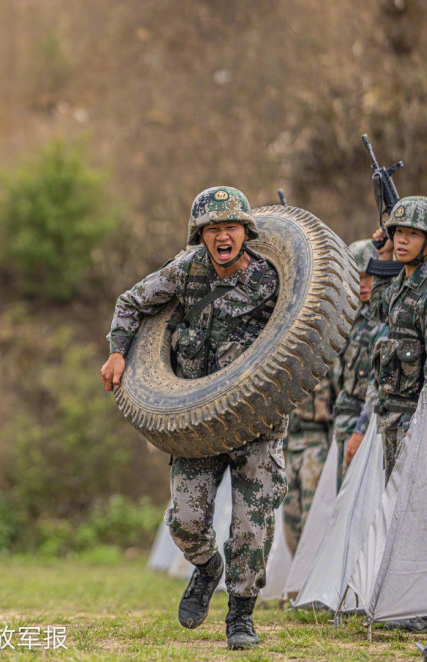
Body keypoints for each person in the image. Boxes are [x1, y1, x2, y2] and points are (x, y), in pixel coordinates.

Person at [101, 186, 286, 650]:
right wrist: (118, 353)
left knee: (251, 526)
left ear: (246, 231)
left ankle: (240, 616)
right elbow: (131, 302)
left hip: (256, 422)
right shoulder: (186, 271)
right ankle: (206, 569)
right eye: (212, 229)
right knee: (184, 521)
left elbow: (304, 332)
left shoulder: (271, 280)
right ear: (200, 235)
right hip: (196, 422)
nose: (222, 236)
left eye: (230, 226)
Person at [344, 197, 427, 480]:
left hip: (418, 424)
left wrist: (424, 428)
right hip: (393, 421)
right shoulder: (400, 286)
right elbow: (378, 310)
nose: (402, 240)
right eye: (398, 232)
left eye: (413, 234)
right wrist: (383, 257)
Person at [331, 240, 380, 490]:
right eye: (356, 277)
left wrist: (361, 428)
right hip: (345, 420)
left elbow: (377, 384)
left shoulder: (381, 319)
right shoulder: (351, 316)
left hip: (368, 424)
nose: (362, 284)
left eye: (368, 276)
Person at [281, 374, 334, 555]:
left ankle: (311, 572)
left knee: (312, 516)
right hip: (289, 445)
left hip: (315, 443)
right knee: (290, 517)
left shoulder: (325, 359)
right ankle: (299, 568)